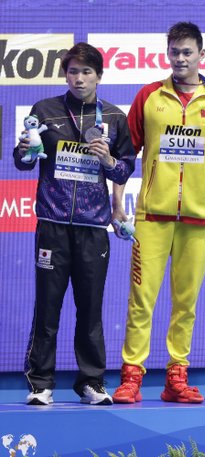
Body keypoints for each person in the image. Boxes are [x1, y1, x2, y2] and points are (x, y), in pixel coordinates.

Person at [110, 22, 205, 404]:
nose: (181, 59)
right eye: (175, 52)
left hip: (197, 220)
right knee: (141, 301)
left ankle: (176, 378)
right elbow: (125, 154)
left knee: (185, 304)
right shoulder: (149, 96)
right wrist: (117, 202)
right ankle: (132, 378)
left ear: (202, 55)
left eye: (188, 52)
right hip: (151, 218)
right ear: (167, 54)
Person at [14, 42, 136, 406]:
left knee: (91, 307)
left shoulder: (113, 117)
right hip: (51, 224)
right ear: (65, 74)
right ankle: (40, 383)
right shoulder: (45, 110)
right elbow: (23, 162)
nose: (79, 78)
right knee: (47, 306)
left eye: (86, 72)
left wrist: (110, 160)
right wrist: (23, 150)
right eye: (73, 71)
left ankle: (91, 382)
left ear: (99, 75)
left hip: (93, 227)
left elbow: (127, 167)